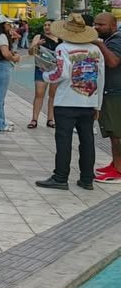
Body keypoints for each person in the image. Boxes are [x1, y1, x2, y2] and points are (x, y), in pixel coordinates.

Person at [36, 14, 105, 191]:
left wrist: (45, 75)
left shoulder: (63, 48)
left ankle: (60, 177)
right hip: (88, 101)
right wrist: (98, 104)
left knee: (64, 140)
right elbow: (100, 77)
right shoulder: (96, 50)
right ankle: (87, 178)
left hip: (66, 101)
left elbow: (61, 74)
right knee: (87, 140)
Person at [93, 13, 121, 184]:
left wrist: (98, 45)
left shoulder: (117, 40)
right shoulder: (112, 39)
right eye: (95, 24)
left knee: (117, 134)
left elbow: (113, 62)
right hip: (111, 92)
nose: (96, 27)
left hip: (116, 94)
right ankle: (115, 163)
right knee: (112, 132)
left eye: (101, 25)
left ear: (113, 25)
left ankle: (119, 170)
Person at [0, 15, 21, 133]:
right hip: (2, 67)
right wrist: (14, 58)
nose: (9, 26)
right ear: (2, 25)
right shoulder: (2, 36)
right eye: (7, 24)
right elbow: (5, 54)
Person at [28, 20, 59, 129]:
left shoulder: (60, 39)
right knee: (39, 93)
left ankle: (50, 119)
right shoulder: (39, 37)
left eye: (49, 25)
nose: (46, 27)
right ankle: (34, 119)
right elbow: (30, 52)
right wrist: (37, 44)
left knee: (53, 95)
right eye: (45, 25)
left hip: (56, 70)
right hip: (41, 68)